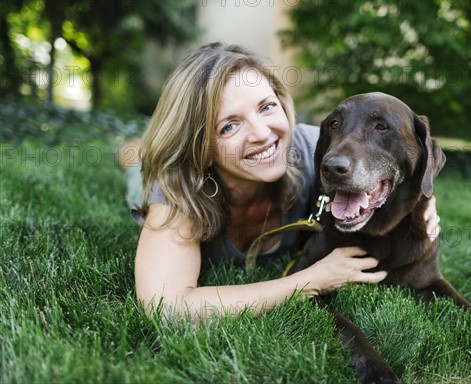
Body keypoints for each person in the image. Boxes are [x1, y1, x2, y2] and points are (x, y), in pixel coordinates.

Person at [124, 42, 440, 321]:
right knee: (137, 165)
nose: (262, 134)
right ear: (201, 148)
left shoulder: (314, 149)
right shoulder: (176, 192)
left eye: (266, 107)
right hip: (156, 177)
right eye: (229, 126)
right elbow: (166, 307)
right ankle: (131, 153)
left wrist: (425, 204)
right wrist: (309, 281)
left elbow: (400, 159)